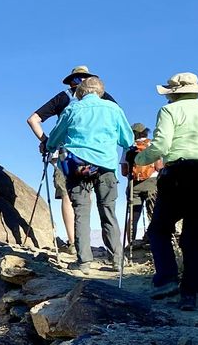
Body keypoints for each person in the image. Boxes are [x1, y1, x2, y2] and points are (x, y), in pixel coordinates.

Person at [136, 72, 198, 311]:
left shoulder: (169, 111)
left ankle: (167, 279)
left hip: (179, 174)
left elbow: (161, 145)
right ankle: (191, 294)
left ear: (172, 94)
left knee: (159, 229)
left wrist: (141, 158)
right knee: (195, 234)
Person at [27, 66, 120, 253]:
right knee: (102, 202)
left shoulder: (63, 97)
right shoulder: (105, 98)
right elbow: (118, 121)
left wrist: (46, 142)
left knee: (70, 198)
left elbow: (33, 119)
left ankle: (74, 245)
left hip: (67, 156)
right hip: (102, 155)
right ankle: (113, 253)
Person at [46, 75, 130, 273]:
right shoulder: (114, 109)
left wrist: (50, 145)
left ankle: (83, 261)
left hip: (78, 166)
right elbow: (127, 139)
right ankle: (117, 260)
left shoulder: (73, 109)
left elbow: (55, 138)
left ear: (80, 93)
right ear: (101, 92)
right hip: (106, 165)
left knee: (81, 212)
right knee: (108, 211)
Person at [121, 123, 159, 247]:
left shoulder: (129, 147)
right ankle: (152, 240)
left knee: (133, 214)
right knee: (153, 212)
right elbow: (159, 167)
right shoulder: (151, 145)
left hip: (134, 184)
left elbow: (124, 171)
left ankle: (131, 243)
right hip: (152, 183)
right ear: (145, 132)